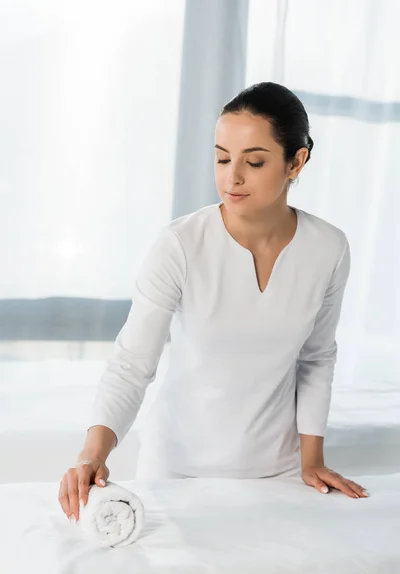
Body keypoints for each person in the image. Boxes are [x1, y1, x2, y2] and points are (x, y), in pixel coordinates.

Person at [59, 82, 369, 523]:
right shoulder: (180, 244)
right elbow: (132, 364)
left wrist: (311, 460)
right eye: (222, 158)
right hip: (178, 470)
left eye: (254, 161)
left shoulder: (329, 248)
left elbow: (317, 357)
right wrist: (92, 454)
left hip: (277, 473)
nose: (232, 177)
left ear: (296, 161)